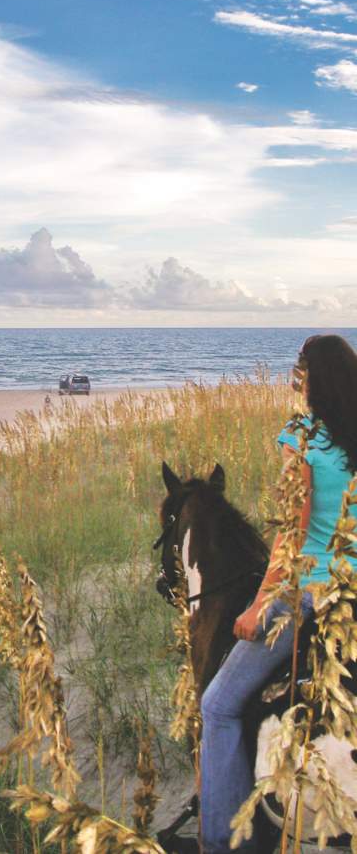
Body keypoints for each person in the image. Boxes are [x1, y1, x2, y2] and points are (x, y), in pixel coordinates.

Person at [194, 334, 357, 853]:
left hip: (310, 592)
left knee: (218, 704)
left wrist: (261, 603)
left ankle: (220, 840)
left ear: (308, 379)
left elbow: (294, 524)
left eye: (299, 373)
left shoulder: (302, 436)